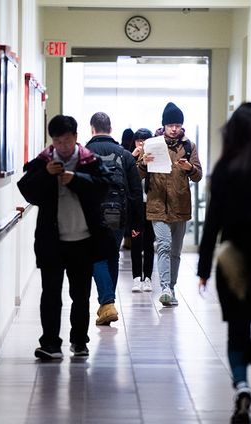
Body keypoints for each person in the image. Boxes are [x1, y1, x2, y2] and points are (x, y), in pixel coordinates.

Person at [197, 103, 251, 424]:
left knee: (238, 330)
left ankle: (242, 385)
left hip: (232, 261)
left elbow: (212, 224)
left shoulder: (225, 170)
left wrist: (203, 269)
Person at [17, 114, 116, 359]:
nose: (62, 146)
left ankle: (79, 341)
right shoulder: (43, 162)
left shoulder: (88, 160)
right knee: (50, 294)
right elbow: (28, 191)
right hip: (52, 241)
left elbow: (104, 187)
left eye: (67, 140)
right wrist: (46, 176)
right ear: (52, 140)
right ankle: (50, 344)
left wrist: (76, 179)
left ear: (76, 137)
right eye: (58, 141)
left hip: (83, 240)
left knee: (80, 294)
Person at [138, 102, 203, 306]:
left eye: (177, 124)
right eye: (170, 125)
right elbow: (137, 174)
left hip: (180, 205)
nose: (174, 128)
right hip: (157, 205)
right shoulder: (152, 144)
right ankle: (165, 287)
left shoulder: (188, 146)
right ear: (163, 126)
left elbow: (198, 175)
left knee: (175, 251)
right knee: (164, 246)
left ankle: (171, 288)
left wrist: (189, 167)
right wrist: (143, 163)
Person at [85, 112, 142, 325]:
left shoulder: (85, 152)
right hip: (119, 213)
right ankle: (107, 304)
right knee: (112, 255)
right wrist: (137, 223)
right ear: (110, 128)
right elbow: (136, 191)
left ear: (92, 129)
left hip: (92, 213)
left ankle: (107, 302)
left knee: (95, 256)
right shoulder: (125, 155)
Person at [130, 128, 155, 293]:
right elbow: (127, 176)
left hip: (152, 204)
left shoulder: (155, 158)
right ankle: (136, 277)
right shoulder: (129, 157)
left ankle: (148, 278)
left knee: (149, 243)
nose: (142, 143)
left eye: (145, 140)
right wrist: (133, 157)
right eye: (139, 140)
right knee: (136, 242)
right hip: (136, 206)